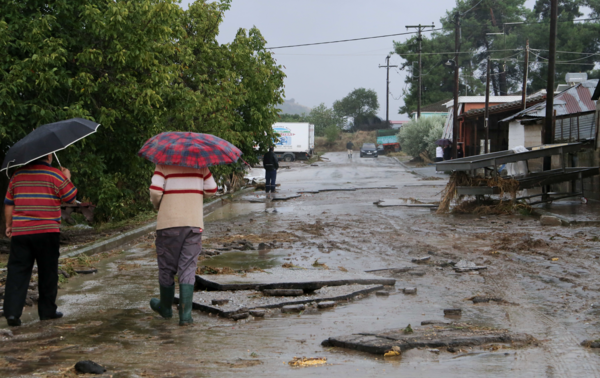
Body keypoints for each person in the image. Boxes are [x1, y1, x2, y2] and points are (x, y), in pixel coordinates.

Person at [3, 154, 77, 327]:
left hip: (21, 232)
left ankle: (12, 313)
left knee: (17, 272)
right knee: (48, 271)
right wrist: (67, 178)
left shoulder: (17, 175)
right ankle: (47, 311)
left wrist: (9, 224)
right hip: (47, 232)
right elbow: (71, 198)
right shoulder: (55, 175)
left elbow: (9, 202)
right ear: (49, 156)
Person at [149, 164, 217, 326]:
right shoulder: (201, 167)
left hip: (168, 224)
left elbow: (155, 191)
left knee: (167, 267)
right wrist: (195, 197)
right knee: (188, 267)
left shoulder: (163, 166)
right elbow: (212, 188)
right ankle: (185, 316)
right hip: (193, 223)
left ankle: (165, 308)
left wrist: (160, 205)